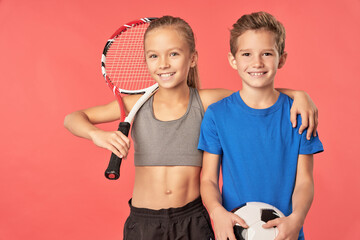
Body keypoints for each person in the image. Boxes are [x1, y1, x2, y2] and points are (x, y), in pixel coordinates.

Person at [64, 16, 319, 240]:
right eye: (154, 56)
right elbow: (73, 118)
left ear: (193, 58)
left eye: (173, 54)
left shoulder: (207, 101)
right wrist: (96, 135)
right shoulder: (134, 105)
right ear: (146, 61)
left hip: (193, 219)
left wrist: (300, 95)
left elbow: (254, 91)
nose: (163, 63)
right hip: (144, 220)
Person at [198, 12, 324, 240]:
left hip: (286, 232)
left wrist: (297, 218)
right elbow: (208, 179)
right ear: (232, 59)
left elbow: (305, 180)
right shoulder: (217, 115)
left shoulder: (299, 114)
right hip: (235, 231)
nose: (257, 63)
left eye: (267, 53)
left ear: (281, 59)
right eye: (247, 54)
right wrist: (217, 212)